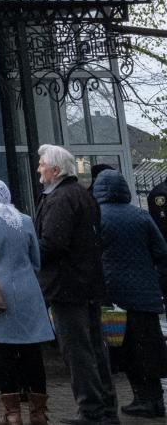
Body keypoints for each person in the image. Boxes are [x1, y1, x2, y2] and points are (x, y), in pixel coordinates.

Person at [36, 144, 119, 425]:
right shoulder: (82, 195)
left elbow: (53, 244)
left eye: (42, 165)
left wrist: (32, 253)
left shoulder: (61, 199)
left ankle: (91, 410)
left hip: (67, 285)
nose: (39, 169)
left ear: (55, 170)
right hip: (87, 282)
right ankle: (106, 408)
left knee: (78, 350)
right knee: (95, 347)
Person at [0, 180, 54, 425]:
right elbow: (36, 260)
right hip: (28, 292)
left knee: (3, 353)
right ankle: (38, 413)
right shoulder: (25, 221)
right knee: (32, 352)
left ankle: (12, 414)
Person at [93, 168, 167, 418]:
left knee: (125, 348)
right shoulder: (141, 216)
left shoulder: (97, 217)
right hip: (145, 294)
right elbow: (161, 250)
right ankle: (155, 397)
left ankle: (140, 397)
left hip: (115, 294)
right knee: (148, 346)